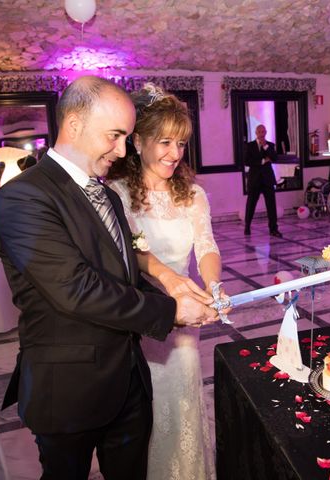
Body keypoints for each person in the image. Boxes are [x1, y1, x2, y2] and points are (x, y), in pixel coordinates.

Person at [0, 76, 218, 480]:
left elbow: (127, 274)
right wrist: (171, 309)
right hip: (68, 387)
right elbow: (76, 289)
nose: (121, 149)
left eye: (126, 137)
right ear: (75, 125)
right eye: (114, 135)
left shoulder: (107, 195)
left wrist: (179, 285)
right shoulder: (24, 196)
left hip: (129, 380)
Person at [107, 83, 225, 480]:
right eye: (165, 142)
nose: (175, 154)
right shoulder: (117, 195)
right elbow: (132, 253)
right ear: (138, 141)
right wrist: (167, 277)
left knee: (183, 405)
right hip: (141, 321)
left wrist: (213, 286)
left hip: (185, 323)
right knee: (145, 412)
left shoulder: (193, 195)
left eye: (182, 143)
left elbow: (207, 247)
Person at [243, 124, 282, 237]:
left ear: (265, 133)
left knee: (271, 205)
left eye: (263, 131)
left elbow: (274, 158)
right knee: (251, 204)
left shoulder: (270, 145)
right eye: (259, 131)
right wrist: (262, 161)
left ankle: (273, 229)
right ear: (256, 133)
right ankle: (247, 227)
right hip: (254, 180)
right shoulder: (250, 146)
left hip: (267, 179)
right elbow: (247, 161)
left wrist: (265, 147)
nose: (261, 133)